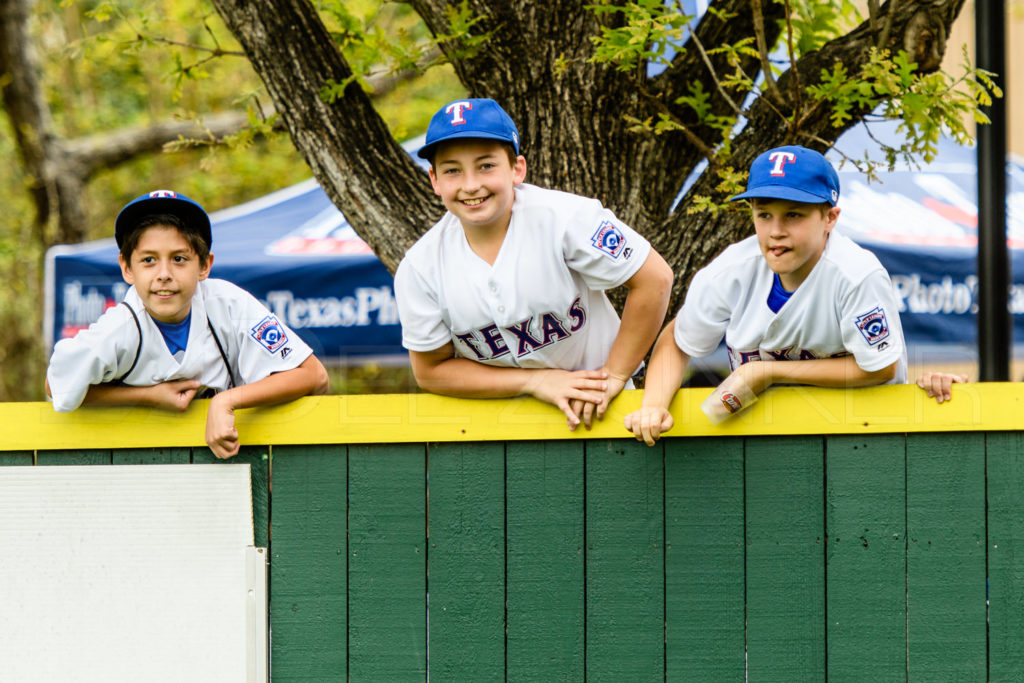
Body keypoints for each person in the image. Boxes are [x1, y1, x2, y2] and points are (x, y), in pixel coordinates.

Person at [394, 98, 673, 430]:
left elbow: (655, 279)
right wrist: (535, 381)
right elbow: (430, 371)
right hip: (491, 430)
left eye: (486, 165)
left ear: (517, 169)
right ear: (435, 181)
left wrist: (614, 374)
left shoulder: (567, 218)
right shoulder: (419, 267)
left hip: (601, 411)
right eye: (452, 170)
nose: (470, 185)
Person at [624, 145, 908, 445]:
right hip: (763, 440)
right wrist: (654, 405)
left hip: (865, 433)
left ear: (830, 218)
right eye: (764, 214)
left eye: (794, 214)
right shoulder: (732, 270)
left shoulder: (855, 274)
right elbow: (678, 340)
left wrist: (767, 372)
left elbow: (879, 367)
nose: (776, 230)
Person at [46, 190, 329, 458]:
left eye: (179, 259)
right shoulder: (117, 329)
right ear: (127, 268)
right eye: (149, 260)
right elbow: (56, 386)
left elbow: (314, 376)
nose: (164, 274)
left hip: (235, 463)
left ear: (205, 265)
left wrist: (226, 401)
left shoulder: (228, 303)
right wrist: (147, 396)